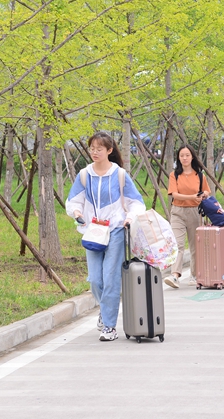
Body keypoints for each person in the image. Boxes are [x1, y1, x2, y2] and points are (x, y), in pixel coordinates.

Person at [66, 132, 146, 342]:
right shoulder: (84, 175)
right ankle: (105, 309)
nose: (94, 152)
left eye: (99, 149)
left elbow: (136, 202)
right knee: (95, 279)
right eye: (92, 148)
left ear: (109, 151)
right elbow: (73, 201)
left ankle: (109, 326)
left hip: (116, 229)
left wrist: (129, 217)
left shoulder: (120, 174)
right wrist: (77, 213)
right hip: (93, 231)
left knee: (111, 278)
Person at [164, 145, 212, 289]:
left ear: (192, 157)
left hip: (194, 212)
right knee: (177, 244)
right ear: (178, 158)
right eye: (181, 156)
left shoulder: (199, 175)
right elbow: (174, 194)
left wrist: (203, 195)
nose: (184, 158)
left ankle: (194, 275)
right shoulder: (174, 175)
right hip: (177, 212)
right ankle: (175, 275)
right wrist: (192, 196)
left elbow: (207, 191)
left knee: (194, 246)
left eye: (187, 155)